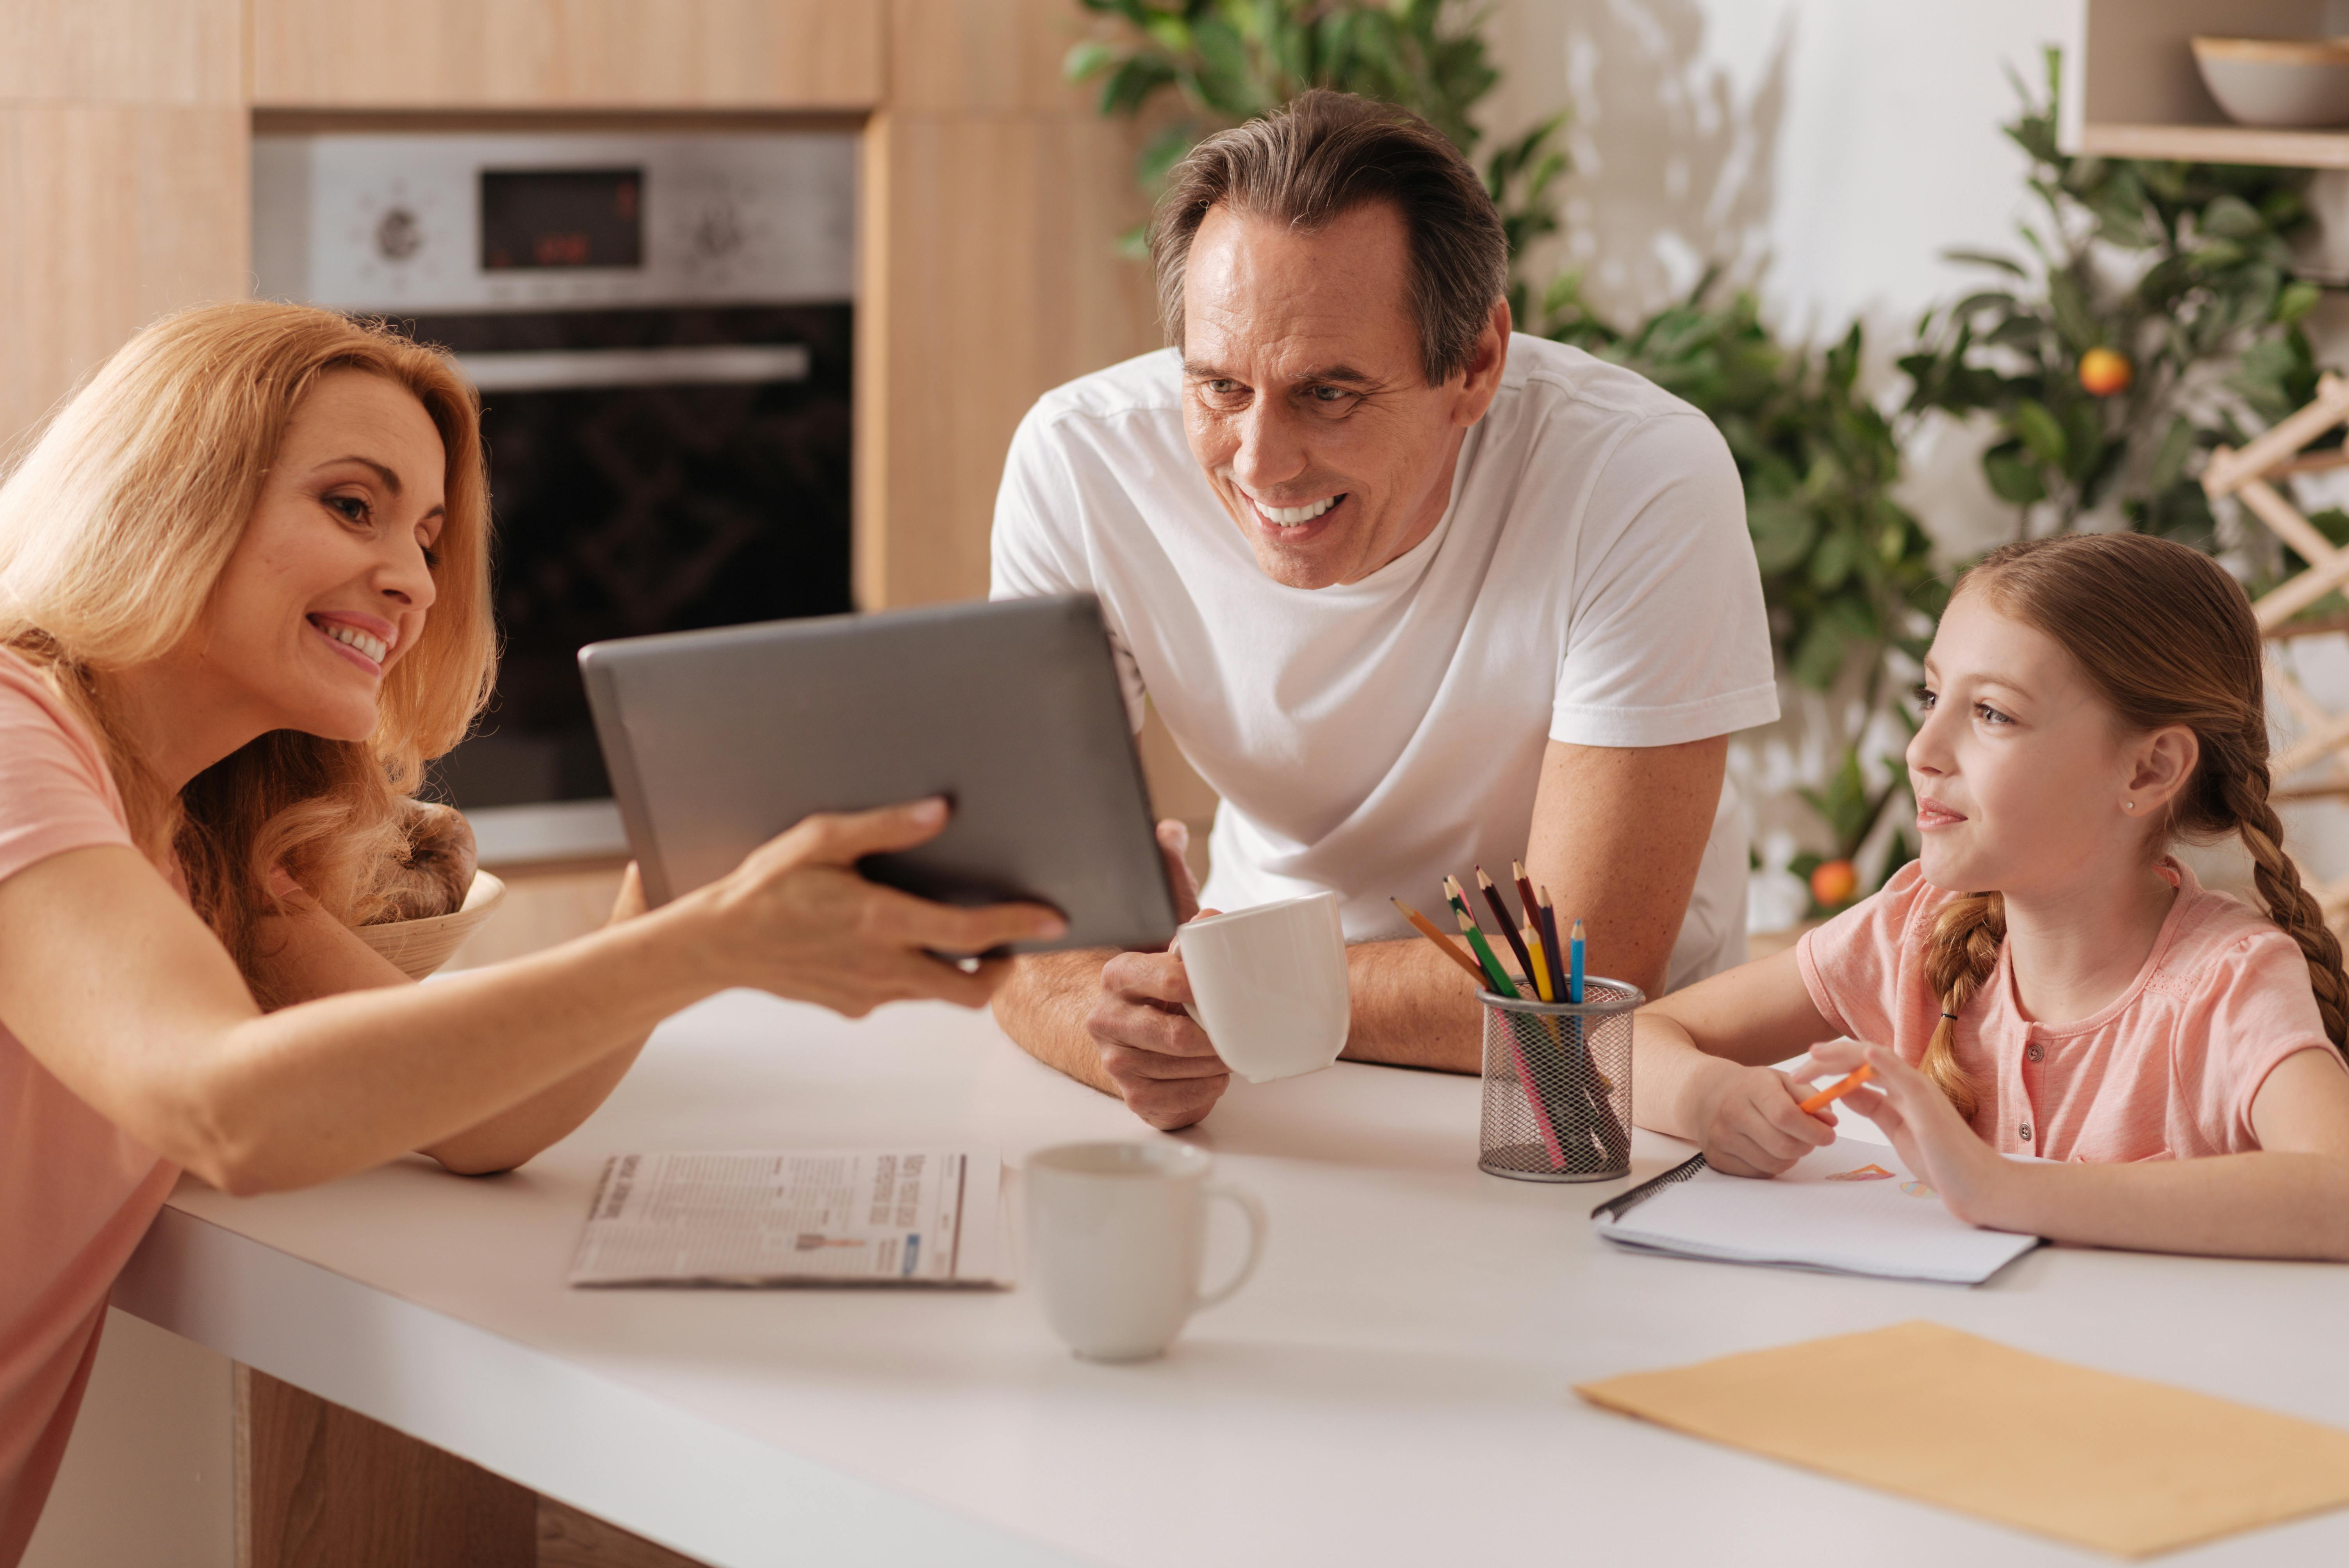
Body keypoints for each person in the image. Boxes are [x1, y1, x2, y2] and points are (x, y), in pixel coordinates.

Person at [0, 301, 1065, 1561]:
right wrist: (710, 946)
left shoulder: (203, 852)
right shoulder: (16, 732)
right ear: (173, 494)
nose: (412, 580)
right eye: (353, 506)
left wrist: (671, 891)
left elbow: (484, 1124)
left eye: (431, 536)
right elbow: (230, 1111)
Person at [987, 90, 1778, 1130]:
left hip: (1581, 1101)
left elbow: (1581, 979)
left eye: (1329, 393)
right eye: (1221, 386)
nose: (1261, 464)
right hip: (1255, 1071)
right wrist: (1121, 1022)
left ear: (1477, 364)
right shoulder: (1082, 460)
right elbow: (1012, 918)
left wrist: (1235, 993)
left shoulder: (1638, 475)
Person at [1634, 532, 2349, 1259]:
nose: (1921, 750)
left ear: (2147, 771)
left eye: (1992, 714)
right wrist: (1709, 1099)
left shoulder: (2227, 983)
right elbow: (1619, 1039)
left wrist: (1996, 1187)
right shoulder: (1912, 931)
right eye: (1932, 696)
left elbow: (2339, 1195)